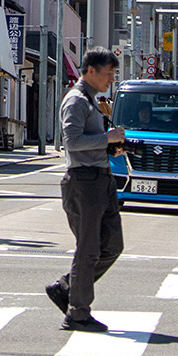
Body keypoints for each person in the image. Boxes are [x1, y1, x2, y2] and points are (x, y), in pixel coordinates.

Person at [47, 50, 127, 332]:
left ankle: (67, 288)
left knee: (113, 244)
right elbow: (71, 141)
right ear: (90, 71)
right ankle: (77, 313)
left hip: (101, 179)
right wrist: (107, 138)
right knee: (89, 249)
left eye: (113, 74)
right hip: (84, 181)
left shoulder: (92, 100)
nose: (111, 79)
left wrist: (110, 146)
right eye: (108, 73)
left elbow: (89, 140)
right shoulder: (76, 100)